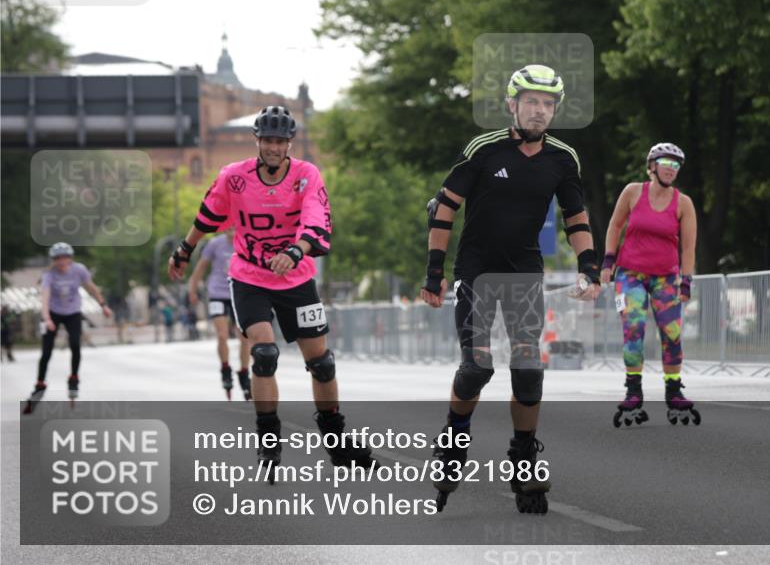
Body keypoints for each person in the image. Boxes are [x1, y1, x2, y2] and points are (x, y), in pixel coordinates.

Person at [420, 65, 601, 514]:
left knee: (528, 368)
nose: (539, 111)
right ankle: (453, 440)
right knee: (477, 367)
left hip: (524, 273)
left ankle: (523, 459)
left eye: (547, 104)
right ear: (511, 104)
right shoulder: (484, 148)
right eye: (531, 102)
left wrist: (589, 268)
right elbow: (444, 207)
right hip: (477, 272)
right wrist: (434, 272)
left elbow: (575, 216)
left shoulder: (563, 158)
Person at [168, 105, 375, 478]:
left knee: (322, 364)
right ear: (257, 141)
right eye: (267, 140)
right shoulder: (234, 177)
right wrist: (184, 250)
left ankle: (337, 442)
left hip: (296, 277)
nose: (274, 148)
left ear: (289, 143)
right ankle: (268, 441)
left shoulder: (306, 175)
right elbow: (208, 215)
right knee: (264, 353)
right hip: (250, 277)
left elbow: (316, 219)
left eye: (280, 141)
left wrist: (295, 251)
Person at [601, 143, 701, 427]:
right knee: (633, 329)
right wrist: (608, 261)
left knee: (672, 332)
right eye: (666, 162)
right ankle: (633, 390)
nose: (671, 168)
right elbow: (615, 225)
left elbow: (688, 248)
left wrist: (686, 280)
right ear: (652, 166)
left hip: (666, 278)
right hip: (630, 274)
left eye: (676, 165)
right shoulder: (633, 192)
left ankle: (674, 390)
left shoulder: (683, 203)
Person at [23, 243, 112, 413]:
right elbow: (45, 297)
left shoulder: (79, 270)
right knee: (46, 352)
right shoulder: (49, 274)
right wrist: (47, 318)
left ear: (70, 258)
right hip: (53, 313)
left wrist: (103, 305)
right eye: (57, 259)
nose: (61, 262)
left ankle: (73, 378)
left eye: (65, 258)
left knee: (75, 344)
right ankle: (39, 384)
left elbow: (92, 288)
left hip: (73, 312)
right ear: (54, 260)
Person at [188, 227, 253, 400]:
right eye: (228, 227)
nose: (231, 231)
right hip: (217, 293)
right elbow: (201, 267)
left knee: (244, 337)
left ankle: (244, 372)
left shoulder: (246, 242)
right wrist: (192, 289)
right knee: (222, 334)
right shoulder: (214, 244)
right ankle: (225, 369)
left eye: (235, 227)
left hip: (238, 292)